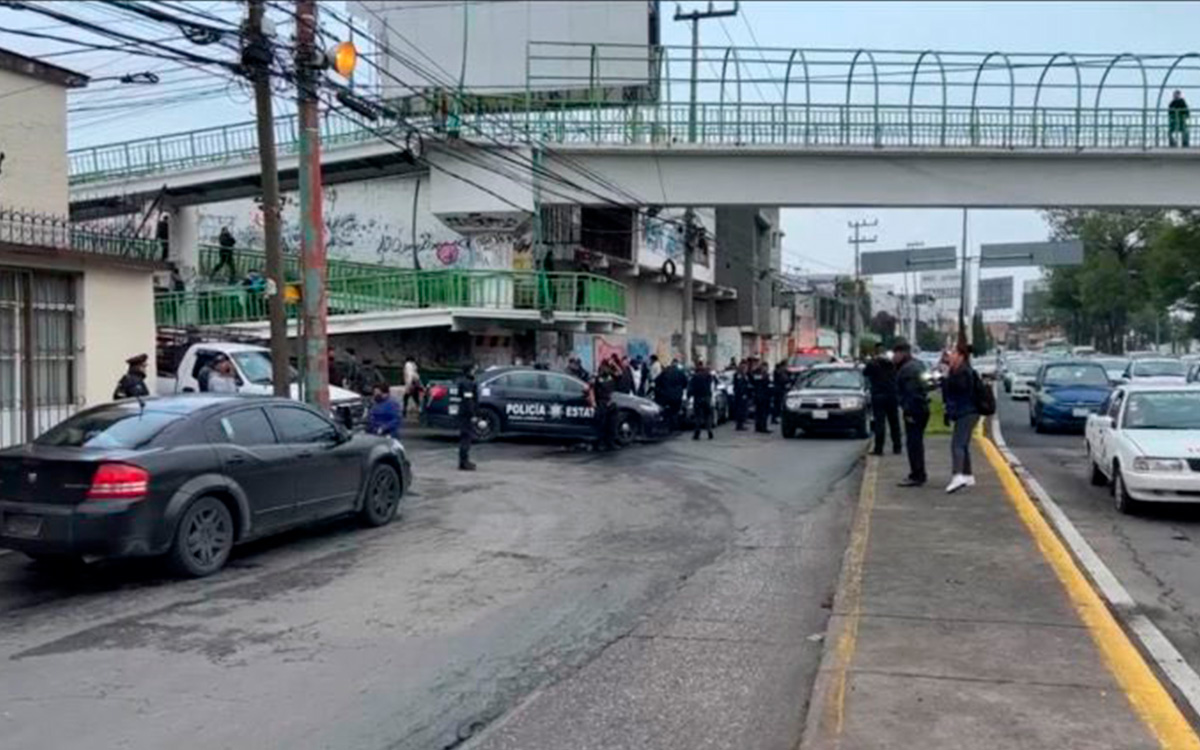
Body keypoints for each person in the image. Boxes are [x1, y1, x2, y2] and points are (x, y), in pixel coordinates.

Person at [942, 342, 980, 494]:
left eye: (953, 353)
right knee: (963, 444)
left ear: (960, 356)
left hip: (967, 412)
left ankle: (957, 475)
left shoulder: (963, 372)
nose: (950, 356)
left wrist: (946, 377)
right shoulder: (958, 370)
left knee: (957, 444)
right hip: (966, 412)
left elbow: (958, 389)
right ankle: (968, 475)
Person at [893, 340, 930, 487]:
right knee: (916, 443)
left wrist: (908, 411)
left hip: (914, 410)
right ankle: (918, 473)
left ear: (902, 353)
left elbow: (911, 393)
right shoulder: (918, 365)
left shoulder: (907, 370)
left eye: (895, 354)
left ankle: (917, 474)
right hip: (922, 408)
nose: (893, 357)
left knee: (913, 444)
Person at [863, 343, 902, 456]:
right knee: (894, 422)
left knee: (880, 423)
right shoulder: (892, 363)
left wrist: (871, 361)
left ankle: (879, 449)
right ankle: (897, 447)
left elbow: (865, 373)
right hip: (892, 395)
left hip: (878, 396)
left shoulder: (873, 363)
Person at [452, 363, 478, 470]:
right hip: (466, 414)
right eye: (474, 369)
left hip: (462, 412)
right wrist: (472, 414)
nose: (475, 371)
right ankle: (464, 462)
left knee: (465, 436)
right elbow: (469, 401)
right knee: (466, 438)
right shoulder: (468, 383)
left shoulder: (461, 381)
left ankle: (463, 461)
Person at [591, 359, 618, 451]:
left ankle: (610, 443)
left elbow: (620, 373)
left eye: (607, 366)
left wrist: (614, 364)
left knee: (612, 424)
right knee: (601, 424)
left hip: (611, 402)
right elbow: (591, 390)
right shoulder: (597, 378)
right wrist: (593, 402)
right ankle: (599, 444)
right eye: (604, 366)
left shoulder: (611, 377)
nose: (605, 368)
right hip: (601, 402)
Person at [655, 357, 687, 431]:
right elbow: (685, 383)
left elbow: (657, 381)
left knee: (666, 411)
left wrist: (660, 389)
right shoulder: (680, 373)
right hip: (677, 396)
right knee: (675, 411)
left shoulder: (665, 372)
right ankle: (675, 427)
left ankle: (666, 426)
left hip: (666, 395)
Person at [687, 359, 716, 440]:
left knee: (698, 416)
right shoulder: (708, 375)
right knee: (707, 416)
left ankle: (697, 433)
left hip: (698, 398)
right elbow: (712, 385)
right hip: (707, 398)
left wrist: (689, 396)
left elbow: (690, 388)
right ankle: (709, 431)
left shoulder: (695, 376)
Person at [750, 360, 772, 434]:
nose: (766, 369)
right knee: (761, 413)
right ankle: (761, 427)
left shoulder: (765, 374)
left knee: (762, 412)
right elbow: (756, 382)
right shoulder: (758, 374)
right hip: (760, 396)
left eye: (766, 367)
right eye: (765, 367)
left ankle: (761, 427)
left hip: (765, 396)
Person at [732, 359, 751, 431]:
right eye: (744, 366)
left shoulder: (744, 374)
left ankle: (741, 423)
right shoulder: (738, 374)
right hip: (740, 395)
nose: (745, 367)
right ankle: (739, 425)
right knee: (740, 410)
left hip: (744, 394)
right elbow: (739, 385)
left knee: (743, 409)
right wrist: (743, 394)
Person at [771, 360, 790, 425]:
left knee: (779, 405)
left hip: (781, 390)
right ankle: (774, 418)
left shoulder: (784, 372)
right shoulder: (778, 372)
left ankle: (776, 417)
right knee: (777, 405)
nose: (786, 367)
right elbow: (781, 380)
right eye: (785, 366)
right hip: (778, 390)